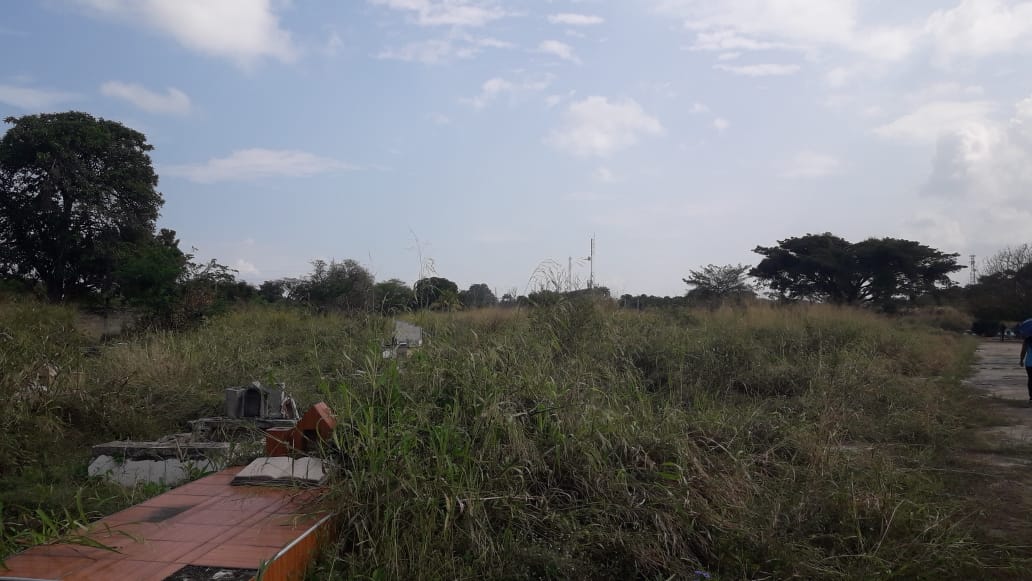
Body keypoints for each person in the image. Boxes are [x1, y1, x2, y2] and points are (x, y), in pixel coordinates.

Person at [1021, 336, 1032, 404]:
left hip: (1029, 363)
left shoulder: (1027, 340)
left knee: (1030, 379)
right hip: (1029, 364)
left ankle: (1031, 396)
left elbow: (1023, 351)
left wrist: (1021, 360)